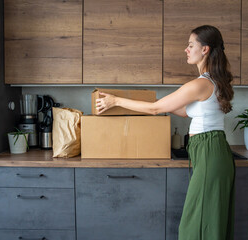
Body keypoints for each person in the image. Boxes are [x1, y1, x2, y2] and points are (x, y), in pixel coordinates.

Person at [95, 25, 235, 240]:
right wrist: (149, 100)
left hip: (209, 152)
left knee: (196, 223)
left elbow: (156, 109)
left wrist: (116, 100)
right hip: (212, 150)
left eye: (190, 45)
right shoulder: (213, 82)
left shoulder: (200, 84)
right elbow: (180, 110)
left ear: (205, 49)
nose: (186, 49)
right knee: (210, 219)